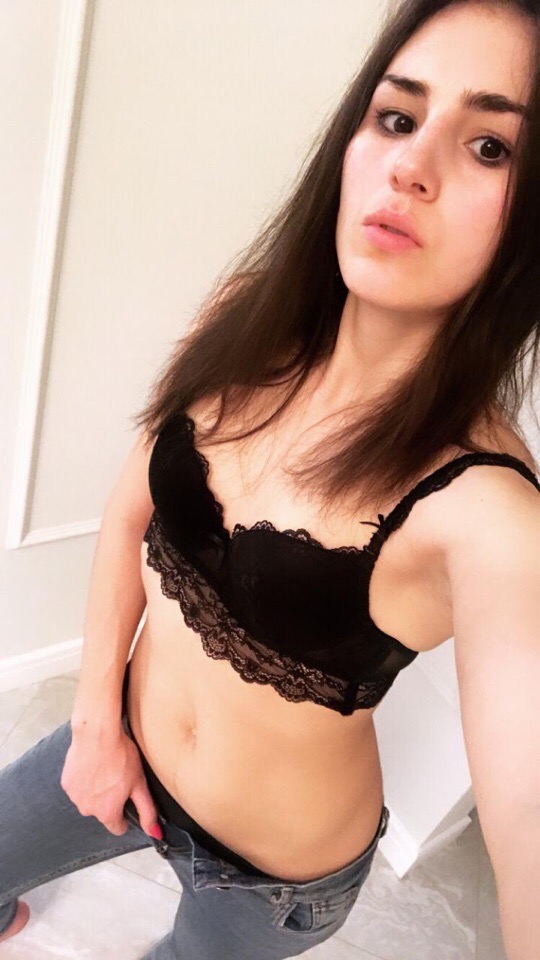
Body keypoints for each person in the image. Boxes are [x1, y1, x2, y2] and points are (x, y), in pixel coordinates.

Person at [1, 0, 540, 957]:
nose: (411, 166)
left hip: (268, 886)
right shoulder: (245, 315)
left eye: (490, 147)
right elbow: (129, 511)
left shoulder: (489, 510)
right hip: (117, 737)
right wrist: (93, 725)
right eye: (397, 116)